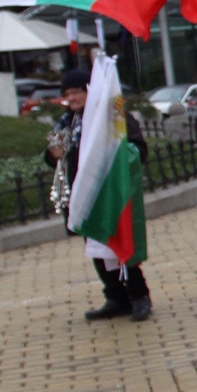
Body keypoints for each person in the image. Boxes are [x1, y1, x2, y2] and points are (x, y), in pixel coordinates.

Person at [46, 66, 152, 321]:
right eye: (66, 94)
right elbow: (54, 155)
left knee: (121, 243)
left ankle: (139, 295)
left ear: (89, 91)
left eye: (75, 92)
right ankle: (115, 297)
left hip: (111, 193)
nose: (70, 98)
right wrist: (52, 154)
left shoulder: (113, 115)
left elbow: (137, 148)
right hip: (84, 195)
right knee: (96, 246)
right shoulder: (67, 122)